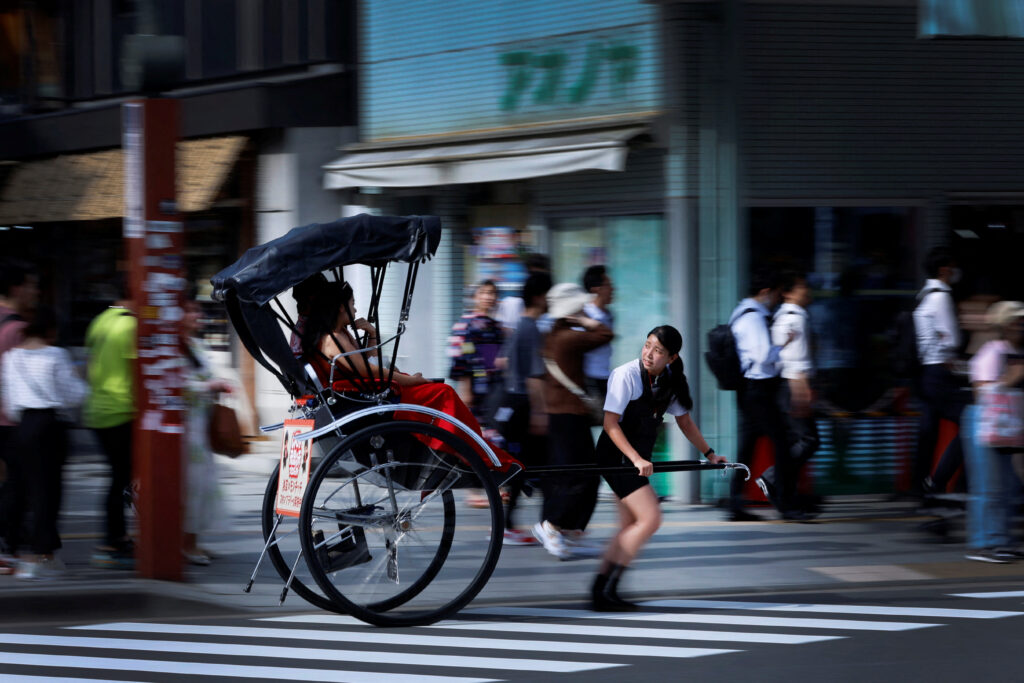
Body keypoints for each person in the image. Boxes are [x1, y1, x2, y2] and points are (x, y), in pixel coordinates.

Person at [300, 280, 516, 470]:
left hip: (369, 391)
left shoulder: (341, 335)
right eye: (352, 304)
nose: (355, 309)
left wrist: (373, 334)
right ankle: (470, 452)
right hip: (366, 398)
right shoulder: (333, 339)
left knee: (436, 389)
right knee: (444, 392)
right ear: (340, 307)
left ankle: (469, 448)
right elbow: (371, 371)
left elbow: (370, 363)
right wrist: (412, 380)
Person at [592, 325, 728, 610]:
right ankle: (607, 589)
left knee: (630, 525)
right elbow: (610, 424)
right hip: (617, 456)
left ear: (672, 357)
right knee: (650, 519)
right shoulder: (625, 375)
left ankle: (601, 590)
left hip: (636, 458)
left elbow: (685, 422)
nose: (649, 354)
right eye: (647, 346)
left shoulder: (670, 380)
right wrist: (637, 460)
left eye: (658, 351)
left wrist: (710, 454)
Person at [1, 306, 88, 580]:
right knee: (49, 492)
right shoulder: (55, 355)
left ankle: (20, 548)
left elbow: (10, 398)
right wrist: (82, 379)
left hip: (23, 426)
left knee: (24, 488)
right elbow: (75, 395)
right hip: (49, 425)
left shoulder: (12, 357)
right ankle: (44, 554)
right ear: (51, 331)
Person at [533, 282, 613, 559]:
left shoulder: (550, 335)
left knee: (568, 474)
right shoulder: (570, 337)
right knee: (582, 475)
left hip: (559, 413)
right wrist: (585, 321)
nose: (583, 307)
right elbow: (606, 333)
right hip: (570, 414)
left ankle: (567, 531)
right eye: (578, 305)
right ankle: (554, 526)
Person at [728, 266, 796, 521]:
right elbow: (763, 355)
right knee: (784, 443)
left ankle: (735, 503)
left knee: (747, 447)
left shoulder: (740, 312)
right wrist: (784, 344)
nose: (777, 299)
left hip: (748, 389)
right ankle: (786, 502)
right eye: (776, 294)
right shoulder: (753, 317)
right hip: (759, 390)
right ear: (765, 292)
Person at [962, 301, 1024, 563]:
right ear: (1005, 324)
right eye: (1017, 320)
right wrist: (1012, 377)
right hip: (985, 421)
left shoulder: (1015, 351)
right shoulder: (993, 351)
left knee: (1007, 485)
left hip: (1007, 424)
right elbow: (982, 392)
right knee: (989, 486)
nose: (1021, 325)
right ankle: (985, 544)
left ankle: (1001, 539)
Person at [494, 272, 552, 546]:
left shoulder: (521, 327)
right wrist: (540, 412)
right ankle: (537, 525)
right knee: (535, 467)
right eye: (548, 295)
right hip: (524, 405)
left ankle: (512, 524)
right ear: (540, 297)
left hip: (512, 402)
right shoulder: (531, 329)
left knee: (524, 467)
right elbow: (534, 376)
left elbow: (501, 361)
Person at [83, 280, 137, 569]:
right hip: (121, 411)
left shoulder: (100, 320)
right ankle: (112, 542)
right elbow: (138, 371)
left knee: (119, 477)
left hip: (97, 411)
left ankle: (117, 537)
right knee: (120, 479)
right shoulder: (130, 326)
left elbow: (89, 366)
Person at [760, 271, 820, 515]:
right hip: (793, 385)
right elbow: (793, 360)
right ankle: (773, 479)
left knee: (800, 440)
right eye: (801, 287)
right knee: (808, 440)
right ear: (787, 292)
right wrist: (801, 391)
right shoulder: (794, 317)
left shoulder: (786, 316)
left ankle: (784, 489)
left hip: (790, 385)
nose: (806, 291)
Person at [180, 293, 234, 565]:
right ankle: (186, 545)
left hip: (200, 427)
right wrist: (209, 386)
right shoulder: (174, 349)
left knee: (201, 486)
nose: (197, 315)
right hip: (185, 431)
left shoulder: (195, 345)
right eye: (190, 310)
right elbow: (177, 387)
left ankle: (193, 542)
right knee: (192, 487)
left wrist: (218, 383)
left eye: (197, 311)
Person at [914, 247, 969, 496]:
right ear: (945, 269)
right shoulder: (941, 297)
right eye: (953, 266)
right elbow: (951, 341)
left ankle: (924, 486)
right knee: (971, 424)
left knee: (929, 433)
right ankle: (939, 482)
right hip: (941, 373)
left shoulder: (925, 295)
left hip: (928, 373)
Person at [448, 280, 505, 508]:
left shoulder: (496, 326)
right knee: (474, 437)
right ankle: (474, 490)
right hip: (475, 388)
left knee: (492, 436)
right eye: (484, 293)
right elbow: (460, 356)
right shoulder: (465, 324)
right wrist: (466, 386)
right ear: (475, 296)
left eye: (492, 293)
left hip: (493, 388)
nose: (489, 297)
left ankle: (492, 485)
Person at [0, 259, 37, 574]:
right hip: (11, 420)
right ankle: (8, 545)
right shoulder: (18, 329)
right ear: (16, 288)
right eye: (30, 285)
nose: (34, 291)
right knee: (17, 484)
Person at [582, 265, 615, 406]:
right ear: (596, 289)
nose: (612, 290)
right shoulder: (585, 315)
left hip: (605, 376)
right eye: (608, 285)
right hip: (590, 379)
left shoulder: (609, 315)